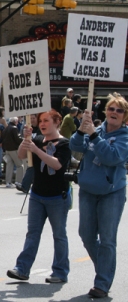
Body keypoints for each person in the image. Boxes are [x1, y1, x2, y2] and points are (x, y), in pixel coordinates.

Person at [69, 93, 128, 299]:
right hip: (87, 190)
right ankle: (104, 268)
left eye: (119, 110)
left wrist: (93, 134)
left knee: (107, 240)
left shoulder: (125, 137)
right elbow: (75, 147)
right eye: (111, 109)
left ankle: (102, 283)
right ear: (106, 111)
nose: (114, 113)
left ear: (124, 116)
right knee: (86, 235)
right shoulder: (96, 129)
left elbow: (112, 157)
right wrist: (80, 129)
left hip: (111, 193)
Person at [7, 109, 72, 284]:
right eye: (40, 121)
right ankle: (22, 269)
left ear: (57, 122)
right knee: (32, 234)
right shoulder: (36, 139)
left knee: (59, 235)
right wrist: (26, 139)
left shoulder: (64, 143)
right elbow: (21, 156)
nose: (42, 124)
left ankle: (60, 272)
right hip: (37, 195)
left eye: (46, 120)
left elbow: (57, 165)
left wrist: (37, 149)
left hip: (57, 197)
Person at [1, 117, 25, 188]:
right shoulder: (14, 128)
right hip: (14, 149)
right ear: (15, 121)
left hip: (7, 150)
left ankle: (8, 182)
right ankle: (18, 181)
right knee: (20, 165)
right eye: (17, 121)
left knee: (9, 165)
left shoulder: (6, 129)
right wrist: (23, 139)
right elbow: (17, 139)